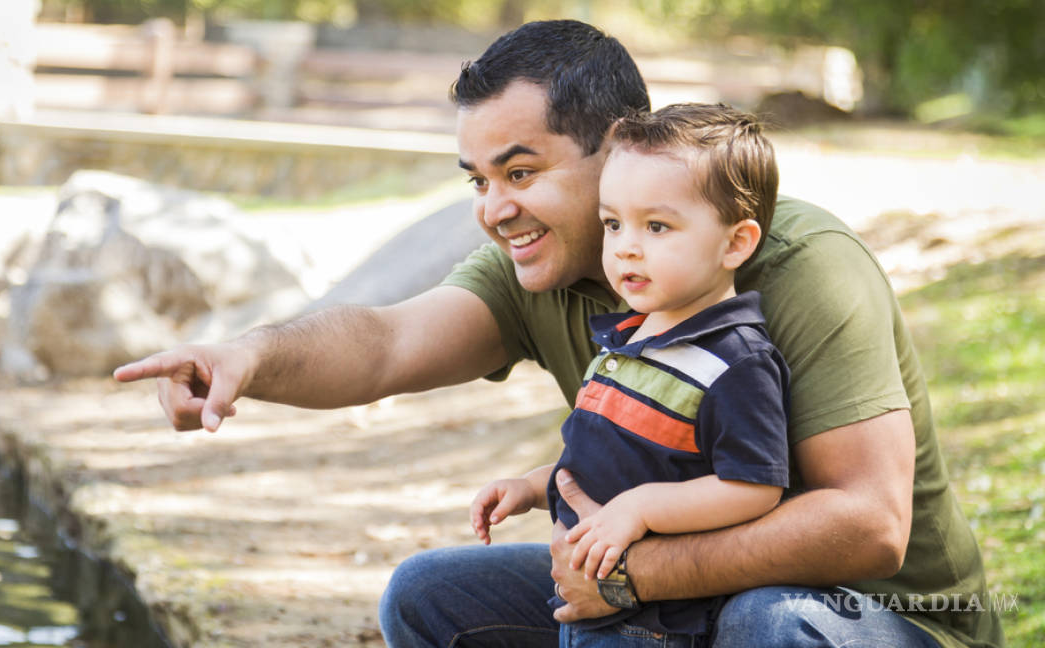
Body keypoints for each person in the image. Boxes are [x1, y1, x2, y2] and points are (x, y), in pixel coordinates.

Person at [113, 19, 1003, 648]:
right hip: (682, 602)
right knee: (429, 598)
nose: (495, 210)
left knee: (764, 623)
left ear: (618, 147)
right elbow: (384, 343)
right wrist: (249, 357)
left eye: (522, 171)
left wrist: (632, 575)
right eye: (477, 178)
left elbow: (871, 524)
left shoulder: (794, 262)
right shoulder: (538, 269)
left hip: (871, 620)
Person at [469, 103, 791, 647]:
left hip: (653, 621)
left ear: (736, 243)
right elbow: (612, 459)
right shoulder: (629, 338)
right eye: (613, 223)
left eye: (657, 226)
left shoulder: (734, 361)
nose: (625, 246)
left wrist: (639, 511)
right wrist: (530, 486)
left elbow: (754, 487)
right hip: (587, 601)